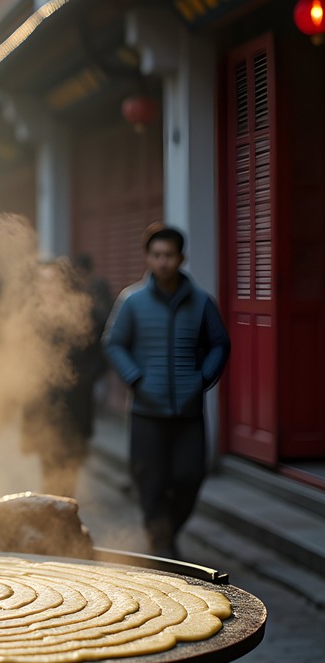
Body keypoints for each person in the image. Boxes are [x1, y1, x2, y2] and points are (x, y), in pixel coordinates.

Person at [103, 226, 230, 558]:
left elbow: (219, 343)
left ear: (181, 259)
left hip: (188, 412)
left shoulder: (202, 302)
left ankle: (165, 533)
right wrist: (136, 379)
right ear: (148, 257)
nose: (163, 262)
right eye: (156, 255)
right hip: (146, 410)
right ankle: (161, 543)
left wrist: (202, 378)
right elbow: (115, 344)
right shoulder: (132, 300)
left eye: (169, 256)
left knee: (190, 477)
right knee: (150, 482)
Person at [20, 258, 103, 498]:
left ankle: (63, 518)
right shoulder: (30, 316)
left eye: (53, 280)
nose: (48, 286)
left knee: (70, 469)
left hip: (75, 403)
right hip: (42, 405)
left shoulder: (86, 313)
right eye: (43, 281)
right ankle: (54, 520)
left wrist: (83, 379)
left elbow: (101, 353)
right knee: (49, 468)